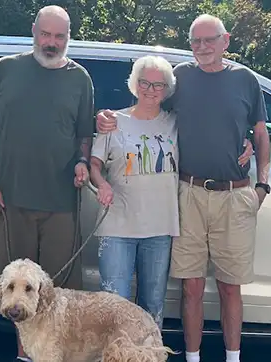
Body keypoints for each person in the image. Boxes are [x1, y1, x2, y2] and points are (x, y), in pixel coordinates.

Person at [95, 14, 270, 362]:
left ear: (226, 40)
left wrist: (262, 184)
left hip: (234, 195)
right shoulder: (181, 78)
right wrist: (101, 117)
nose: (202, 47)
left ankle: (231, 358)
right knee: (190, 287)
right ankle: (191, 357)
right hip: (187, 194)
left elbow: (260, 132)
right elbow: (141, 112)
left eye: (210, 40)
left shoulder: (246, 79)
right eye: (195, 41)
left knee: (228, 287)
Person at [0, 6, 94, 362]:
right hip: (11, 202)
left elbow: (83, 136)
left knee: (58, 296)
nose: (52, 43)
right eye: (46, 34)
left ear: (68, 37)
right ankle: (25, 356)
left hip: (62, 204)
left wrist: (83, 162)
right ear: (34, 31)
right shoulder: (4, 70)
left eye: (60, 36)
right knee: (17, 294)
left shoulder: (81, 79)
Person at [90, 55, 179, 330]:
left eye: (158, 85)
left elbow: (211, 135)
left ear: (167, 90)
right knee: (114, 305)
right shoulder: (113, 121)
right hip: (118, 226)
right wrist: (101, 184)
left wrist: (245, 142)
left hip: (160, 228)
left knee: (152, 308)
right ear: (134, 83)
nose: (150, 90)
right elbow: (94, 165)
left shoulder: (176, 123)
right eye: (144, 82)